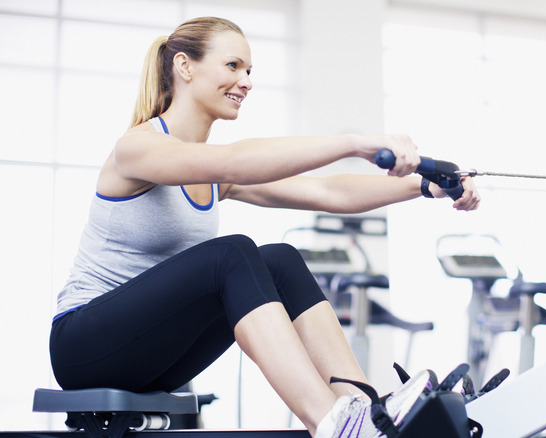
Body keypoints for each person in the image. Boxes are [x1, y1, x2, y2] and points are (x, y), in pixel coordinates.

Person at [48, 16, 480, 438]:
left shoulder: (214, 174)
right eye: (233, 66)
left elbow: (328, 193)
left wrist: (424, 187)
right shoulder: (137, 148)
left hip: (151, 356)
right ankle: (331, 422)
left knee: (279, 260)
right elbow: (234, 160)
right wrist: (354, 143)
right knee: (231, 253)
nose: (247, 81)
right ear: (184, 67)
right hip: (83, 348)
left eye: (249, 70)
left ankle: (366, 415)